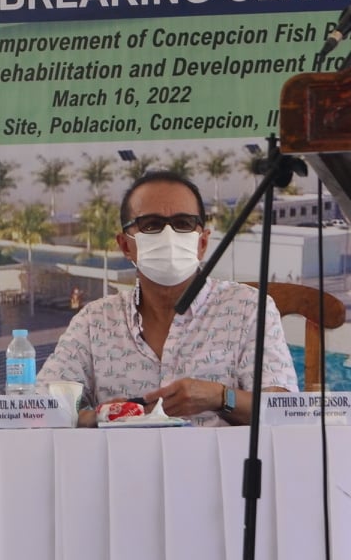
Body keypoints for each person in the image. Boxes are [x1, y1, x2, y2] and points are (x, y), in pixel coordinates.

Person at [39, 171, 297, 426]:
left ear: (203, 243)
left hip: (222, 465)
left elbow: (283, 410)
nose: (169, 236)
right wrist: (98, 418)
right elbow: (41, 404)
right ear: (125, 245)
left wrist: (219, 397)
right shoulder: (95, 320)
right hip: (124, 463)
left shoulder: (247, 308)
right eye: (151, 225)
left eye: (183, 224)